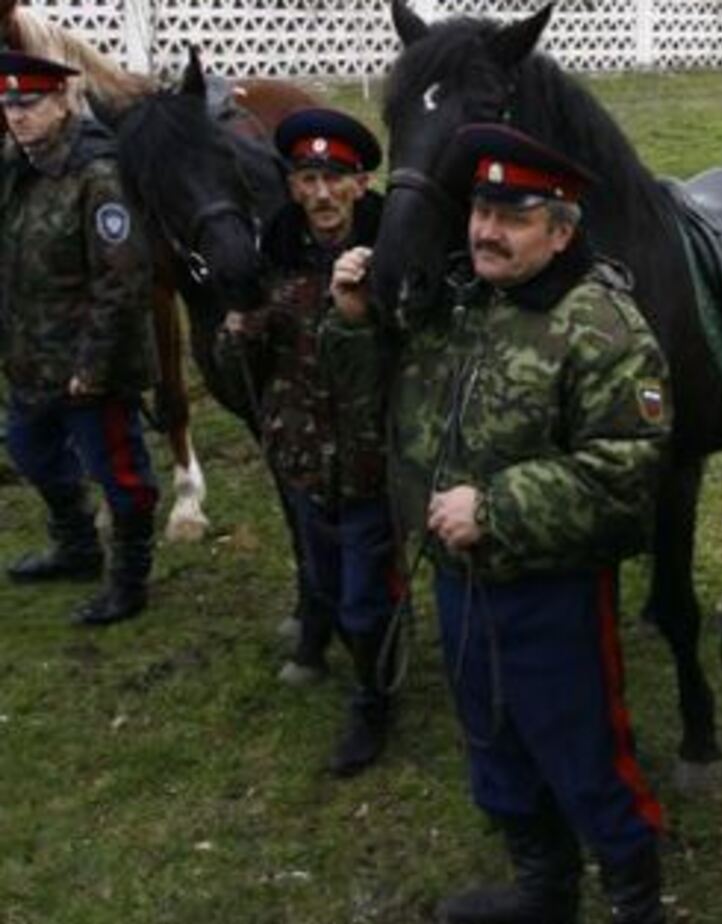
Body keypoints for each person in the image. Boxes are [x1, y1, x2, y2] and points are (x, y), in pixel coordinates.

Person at [331, 124, 670, 923]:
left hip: (551, 592)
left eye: (514, 216)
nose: (486, 229)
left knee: (586, 754)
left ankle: (635, 904)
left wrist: (498, 508)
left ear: (561, 232)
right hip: (459, 581)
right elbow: (368, 413)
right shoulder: (457, 303)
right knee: (493, 748)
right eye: (482, 208)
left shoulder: (605, 330)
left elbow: (628, 474)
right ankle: (545, 893)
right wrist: (353, 321)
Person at [212, 107, 396, 776]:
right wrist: (234, 332)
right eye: (307, 178)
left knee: (363, 598)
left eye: (335, 178)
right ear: (292, 187)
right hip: (303, 465)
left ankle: (374, 702)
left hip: (373, 465)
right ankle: (370, 660)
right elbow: (239, 375)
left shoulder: (396, 260)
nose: (320, 194)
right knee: (324, 582)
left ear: (362, 183)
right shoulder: (271, 260)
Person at [0, 50, 157, 627]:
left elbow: (123, 281)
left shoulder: (96, 173)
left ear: (63, 101)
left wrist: (91, 369)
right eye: (8, 104)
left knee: (122, 477)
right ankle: (76, 546)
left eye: (30, 103)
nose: (17, 115)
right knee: (29, 449)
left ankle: (130, 580)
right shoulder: (16, 166)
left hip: (89, 367)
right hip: (30, 357)